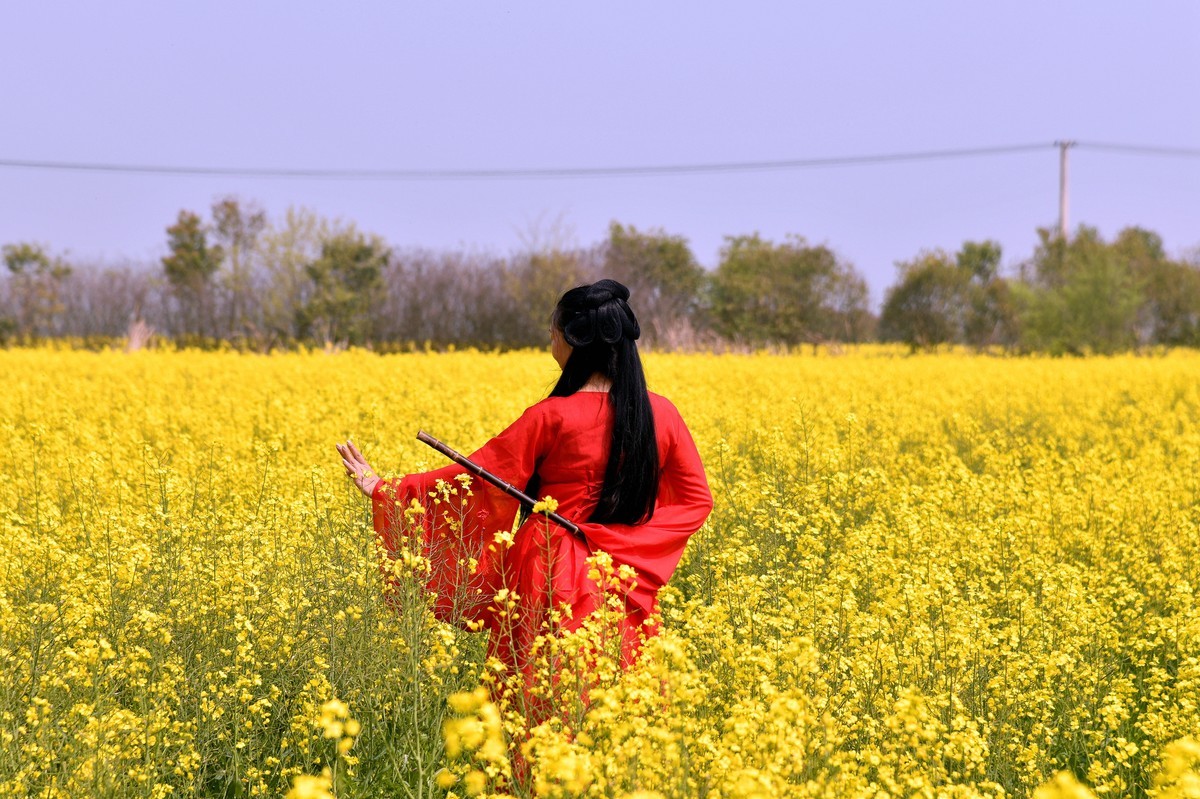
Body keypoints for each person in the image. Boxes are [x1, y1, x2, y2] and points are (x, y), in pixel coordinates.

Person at [334, 278, 713, 704]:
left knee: (536, 698)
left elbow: (476, 481)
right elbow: (696, 500)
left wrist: (386, 490)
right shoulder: (660, 413)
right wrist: (632, 544)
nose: (550, 342)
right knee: (616, 696)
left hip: (548, 566)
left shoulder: (550, 416)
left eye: (552, 332)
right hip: (623, 574)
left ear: (571, 340)